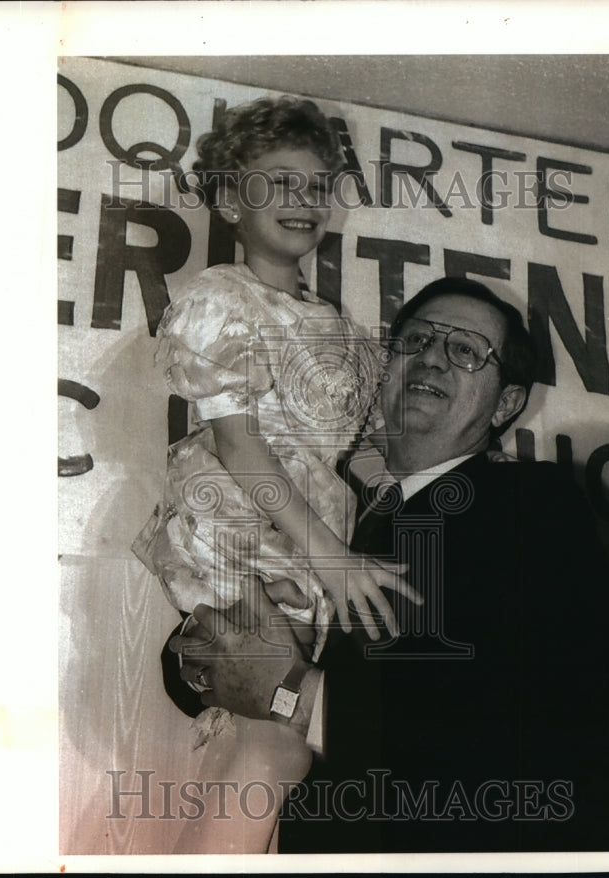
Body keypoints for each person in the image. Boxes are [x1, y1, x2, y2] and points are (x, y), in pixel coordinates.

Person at [170, 277, 609, 853]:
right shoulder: (339, 514)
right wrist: (203, 655)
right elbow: (211, 650)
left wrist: (290, 693)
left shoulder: (534, 505)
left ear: (508, 402)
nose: (432, 358)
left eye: (465, 350)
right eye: (414, 340)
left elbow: (536, 718)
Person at [131, 95, 416, 853]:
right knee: (282, 742)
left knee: (281, 743)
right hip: (246, 527)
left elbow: (348, 449)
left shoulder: (342, 330)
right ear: (230, 199)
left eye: (318, 186)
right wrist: (328, 551)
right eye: (280, 183)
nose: (305, 202)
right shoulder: (222, 300)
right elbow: (239, 447)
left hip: (306, 541)